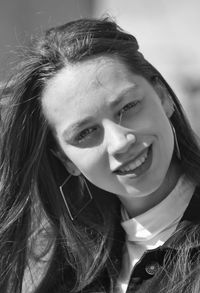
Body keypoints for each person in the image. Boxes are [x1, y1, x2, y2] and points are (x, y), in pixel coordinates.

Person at [1, 17, 200, 293]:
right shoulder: (67, 274)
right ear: (66, 159)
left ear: (163, 96)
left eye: (128, 106)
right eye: (85, 132)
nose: (120, 142)